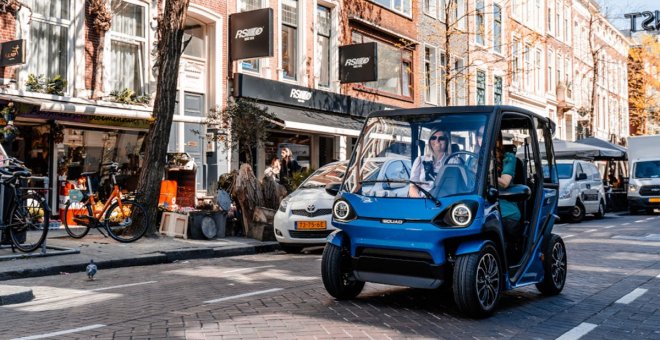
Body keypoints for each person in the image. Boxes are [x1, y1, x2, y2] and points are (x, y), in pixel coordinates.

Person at [409, 129, 450, 197]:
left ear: (447, 142)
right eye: (433, 138)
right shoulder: (419, 160)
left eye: (441, 138)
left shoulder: (453, 161)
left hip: (444, 202)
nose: (437, 141)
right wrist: (419, 201)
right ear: (429, 141)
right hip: (422, 202)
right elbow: (413, 186)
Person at [495, 135, 521, 237]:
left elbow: (505, 183)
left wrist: (486, 175)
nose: (482, 139)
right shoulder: (473, 159)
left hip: (505, 211)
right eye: (479, 135)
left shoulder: (508, 158)